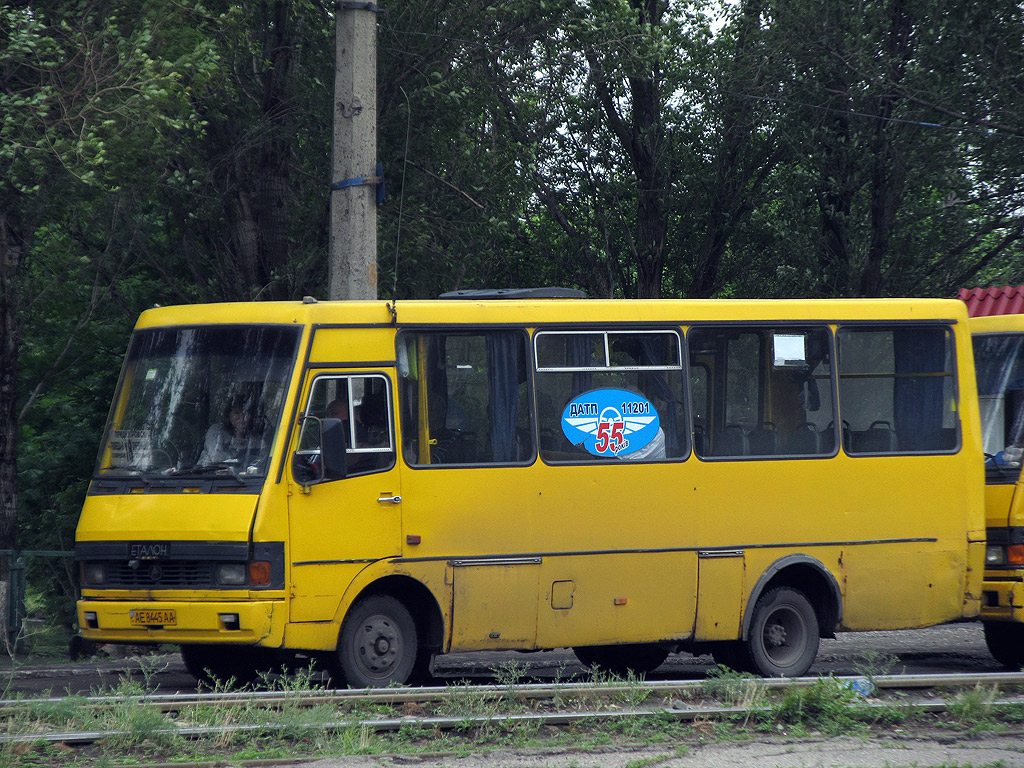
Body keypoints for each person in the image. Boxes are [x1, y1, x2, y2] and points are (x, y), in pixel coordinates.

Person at [198, 393, 266, 467]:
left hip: (242, 477)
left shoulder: (256, 440)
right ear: (228, 415)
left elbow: (263, 460)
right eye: (236, 413)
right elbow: (215, 457)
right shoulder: (217, 431)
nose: (241, 417)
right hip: (206, 475)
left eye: (246, 412)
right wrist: (240, 458)